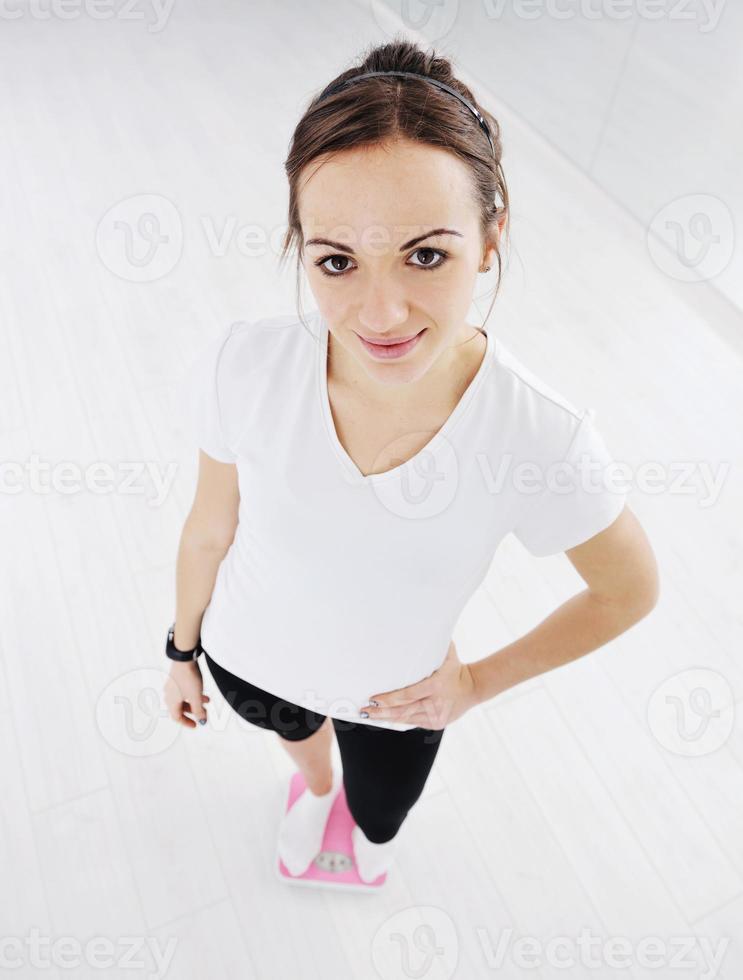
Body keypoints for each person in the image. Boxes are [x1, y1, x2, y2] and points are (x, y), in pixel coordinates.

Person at [163, 38, 659, 885]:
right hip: (248, 655)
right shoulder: (243, 364)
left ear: (490, 238)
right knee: (303, 754)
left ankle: (350, 810)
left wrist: (473, 685)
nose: (379, 313)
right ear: (302, 245)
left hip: (394, 703)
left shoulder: (538, 435)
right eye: (336, 262)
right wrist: (179, 651)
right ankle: (314, 790)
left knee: (381, 820)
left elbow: (627, 589)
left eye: (426, 254)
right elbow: (211, 528)